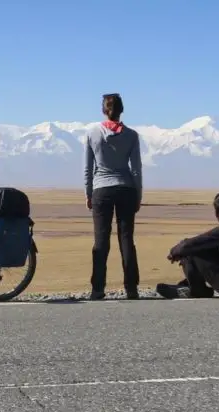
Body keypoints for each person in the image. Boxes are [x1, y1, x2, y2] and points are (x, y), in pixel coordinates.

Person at [83, 93, 143, 300]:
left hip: (101, 190)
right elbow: (136, 169)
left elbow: (88, 168)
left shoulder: (92, 133)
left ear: (103, 110)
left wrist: (88, 194)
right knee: (126, 239)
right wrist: (138, 195)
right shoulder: (132, 135)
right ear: (121, 110)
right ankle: (132, 288)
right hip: (126, 189)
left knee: (101, 241)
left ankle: (97, 288)